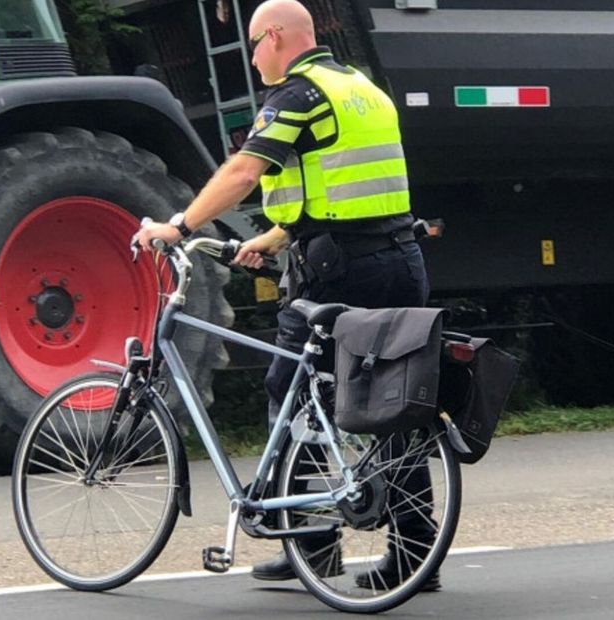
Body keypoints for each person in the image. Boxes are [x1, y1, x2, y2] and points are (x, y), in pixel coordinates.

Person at [135, 0, 438, 591]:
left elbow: (243, 172)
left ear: (275, 37)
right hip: (399, 257)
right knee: (396, 399)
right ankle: (416, 552)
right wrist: (276, 237)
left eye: (253, 44)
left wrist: (179, 227)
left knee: (295, 392)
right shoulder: (359, 87)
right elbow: (348, 189)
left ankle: (313, 543)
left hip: (341, 272)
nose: (251, 57)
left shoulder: (298, 93)